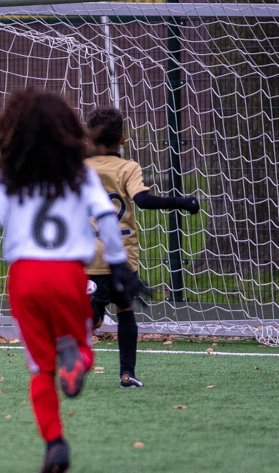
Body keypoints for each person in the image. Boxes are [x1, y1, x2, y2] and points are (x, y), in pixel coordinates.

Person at [0, 88, 145, 473]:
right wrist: (120, 266)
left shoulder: (10, 176)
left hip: (24, 277)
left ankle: (55, 445)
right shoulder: (79, 174)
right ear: (67, 129)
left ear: (14, 132)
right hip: (68, 273)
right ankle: (77, 361)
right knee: (81, 345)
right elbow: (106, 218)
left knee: (41, 370)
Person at [84, 106, 199, 388]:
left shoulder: (81, 168)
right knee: (125, 311)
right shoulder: (128, 167)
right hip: (121, 256)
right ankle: (127, 374)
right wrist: (183, 202)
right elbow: (144, 201)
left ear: (90, 140)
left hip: (87, 256)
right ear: (122, 139)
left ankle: (76, 335)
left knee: (94, 318)